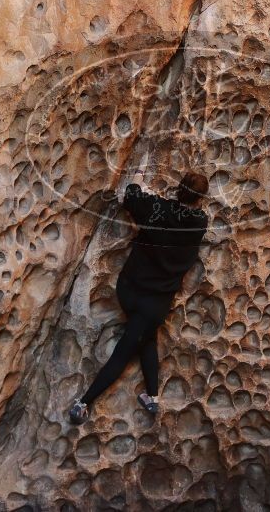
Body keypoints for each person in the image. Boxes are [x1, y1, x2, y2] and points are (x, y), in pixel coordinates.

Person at [67, 166, 210, 425]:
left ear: (178, 189)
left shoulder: (156, 208)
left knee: (146, 338)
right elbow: (187, 214)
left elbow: (131, 194)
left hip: (129, 289)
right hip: (153, 303)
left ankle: (152, 396)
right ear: (200, 199)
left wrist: (140, 184)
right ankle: (83, 403)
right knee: (125, 351)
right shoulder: (199, 224)